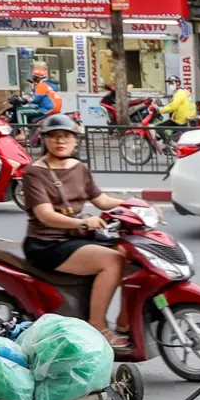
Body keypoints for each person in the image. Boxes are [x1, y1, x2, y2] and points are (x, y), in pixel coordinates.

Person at [21, 114, 134, 348]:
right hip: (47, 243)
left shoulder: (80, 168)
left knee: (132, 253)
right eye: (54, 136)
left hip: (77, 238)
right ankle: (98, 326)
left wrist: (134, 205)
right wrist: (81, 223)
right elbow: (45, 215)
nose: (60, 141)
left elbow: (101, 200)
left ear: (75, 141)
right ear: (45, 140)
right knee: (112, 261)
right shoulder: (34, 172)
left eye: (66, 136)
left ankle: (125, 321)